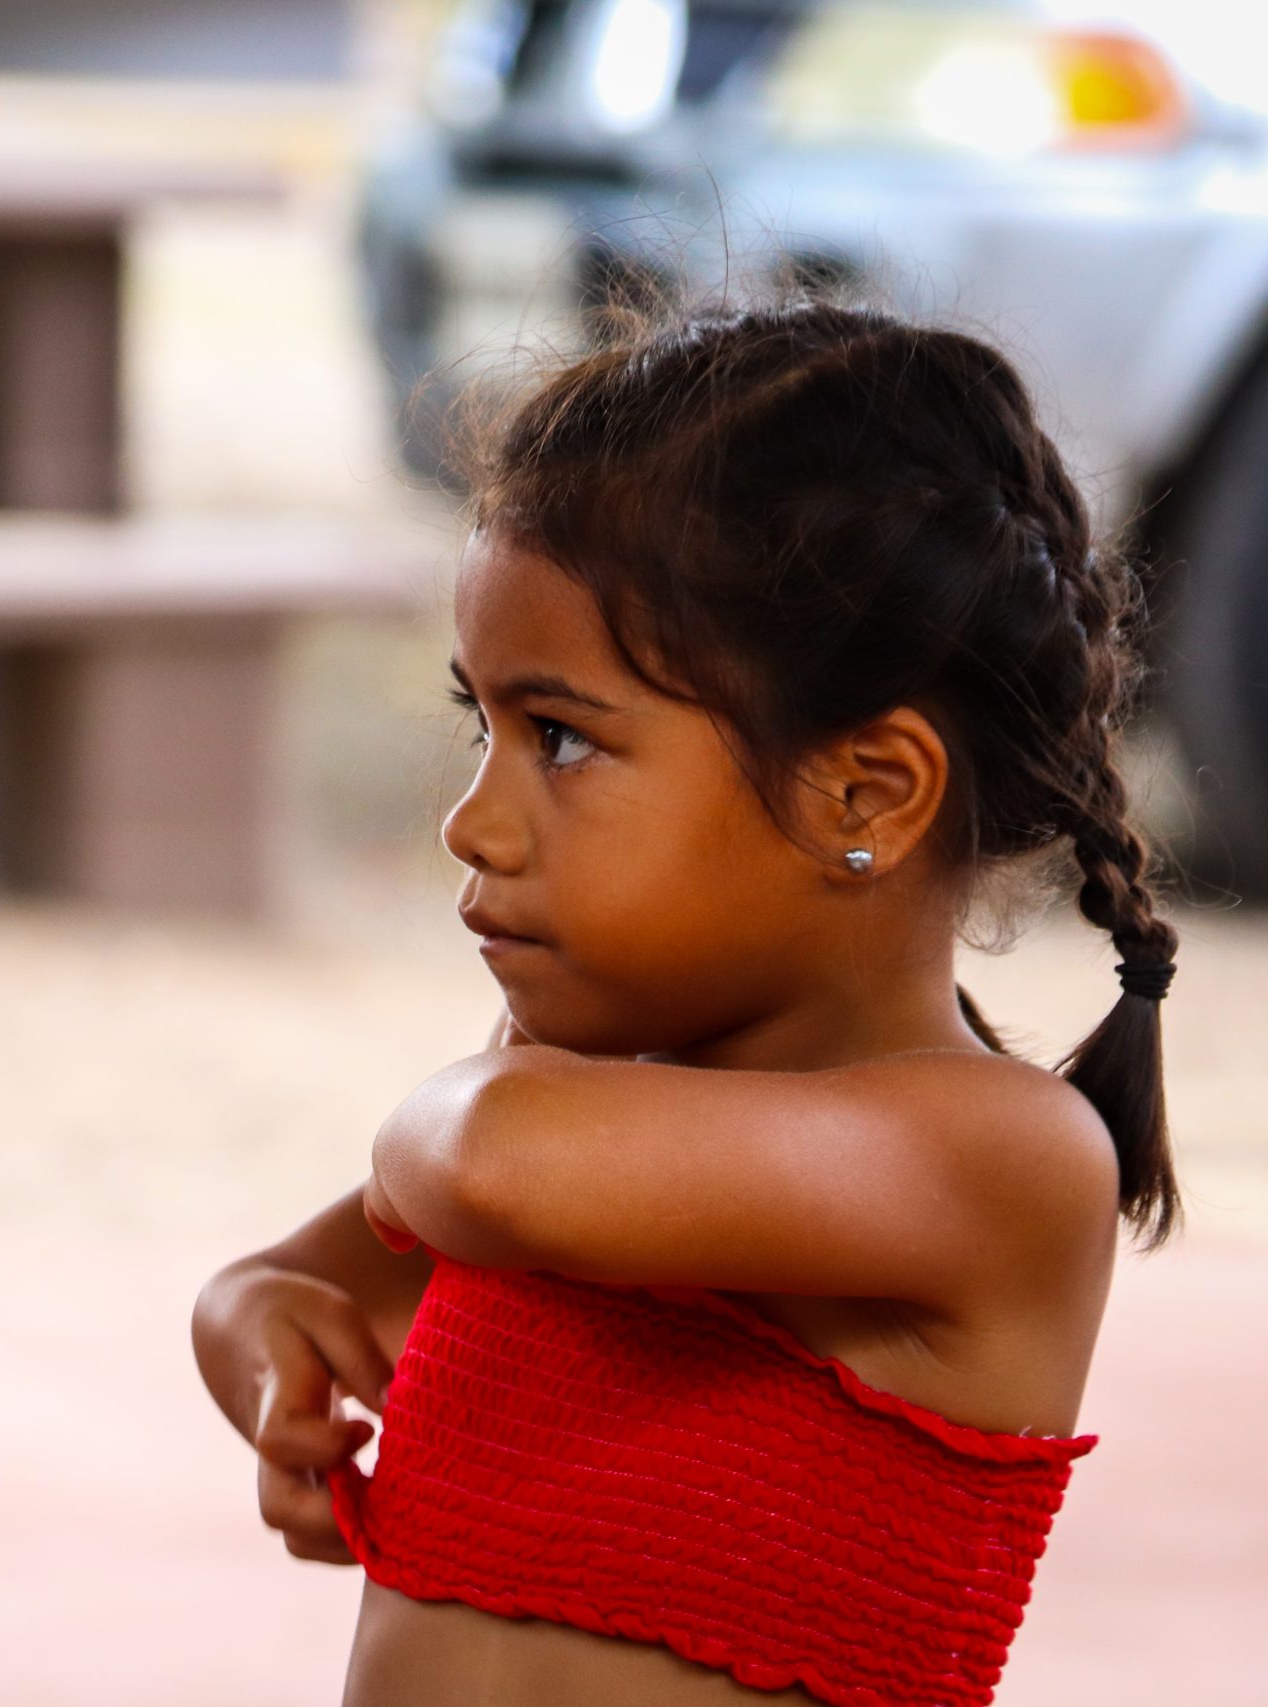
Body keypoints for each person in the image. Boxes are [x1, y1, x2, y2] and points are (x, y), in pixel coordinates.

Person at [191, 301, 1176, 1707]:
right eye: (484, 725)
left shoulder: (998, 1157)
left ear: (865, 794)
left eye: (562, 739)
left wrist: (449, 1135)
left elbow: (482, 1161)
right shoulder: (572, 1087)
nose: (472, 823)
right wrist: (260, 1328)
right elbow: (306, 1275)